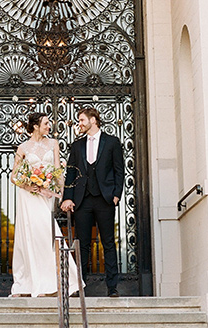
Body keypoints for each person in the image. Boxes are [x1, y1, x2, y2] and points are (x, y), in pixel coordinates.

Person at [9, 111, 81, 297]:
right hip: (28, 196)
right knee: (31, 237)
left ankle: (56, 282)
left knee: (47, 237)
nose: (49, 127)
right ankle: (30, 283)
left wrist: (65, 195)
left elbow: (57, 170)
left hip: (45, 197)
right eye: (46, 123)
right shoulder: (23, 148)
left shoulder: (53, 144)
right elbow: (14, 176)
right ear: (35, 126)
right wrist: (28, 185)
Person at [61, 107, 124, 297]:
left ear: (93, 120)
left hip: (105, 199)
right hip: (82, 200)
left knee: (108, 243)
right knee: (83, 244)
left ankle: (112, 287)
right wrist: (68, 197)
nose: (79, 123)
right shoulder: (77, 145)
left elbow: (119, 170)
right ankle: (80, 286)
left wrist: (116, 194)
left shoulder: (112, 142)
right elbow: (71, 172)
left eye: (81, 120)